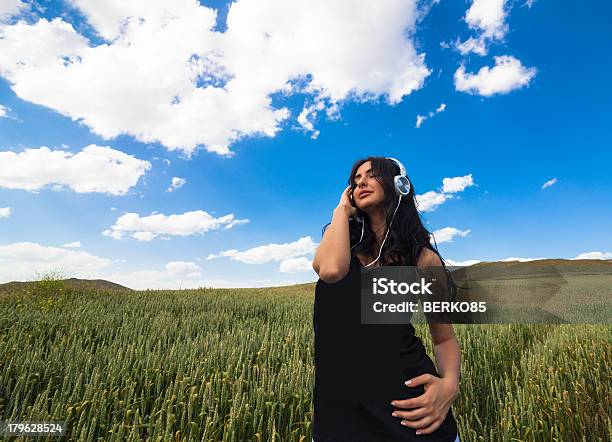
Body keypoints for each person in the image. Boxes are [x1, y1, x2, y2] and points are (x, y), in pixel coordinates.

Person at [311, 156, 461, 442]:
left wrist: (450, 384)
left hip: (411, 413)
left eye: (371, 175)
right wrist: (341, 212)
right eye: (355, 180)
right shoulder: (338, 239)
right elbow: (331, 270)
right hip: (340, 414)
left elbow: (443, 338)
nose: (360, 183)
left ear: (399, 184)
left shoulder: (423, 258)